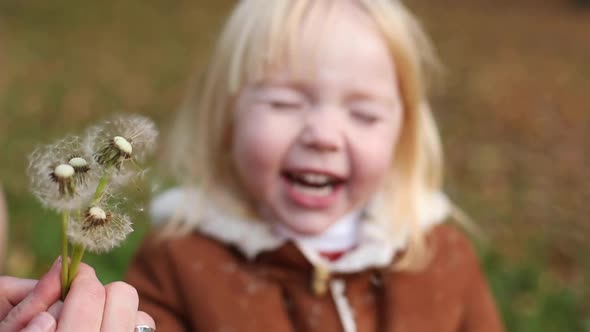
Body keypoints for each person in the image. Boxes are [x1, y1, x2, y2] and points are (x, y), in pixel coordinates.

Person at [1, 0, 504, 331]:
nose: (324, 135)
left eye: (364, 113)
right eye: (285, 103)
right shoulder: (180, 260)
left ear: (403, 135)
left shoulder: (442, 256)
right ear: (227, 122)